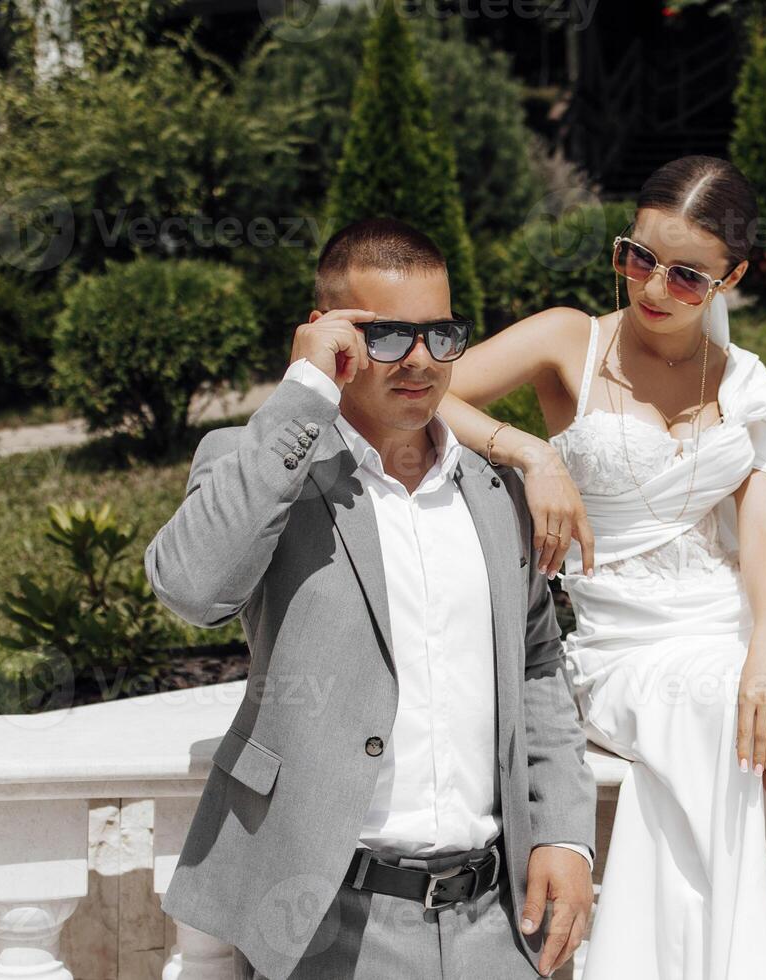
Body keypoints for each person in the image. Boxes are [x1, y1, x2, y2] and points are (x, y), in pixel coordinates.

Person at [435, 156, 766, 979]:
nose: (653, 289)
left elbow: (764, 531)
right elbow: (420, 390)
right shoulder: (569, 342)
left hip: (733, 636)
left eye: (687, 277)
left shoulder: (747, 386)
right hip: (633, 652)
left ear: (733, 278)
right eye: (637, 258)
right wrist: (526, 452)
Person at [144, 216, 597, 980]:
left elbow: (537, 662)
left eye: (440, 335)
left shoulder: (496, 493)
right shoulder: (262, 466)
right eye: (386, 336)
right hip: (323, 921)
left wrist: (563, 830)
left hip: (500, 918)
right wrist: (303, 391)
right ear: (331, 335)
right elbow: (190, 588)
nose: (420, 362)